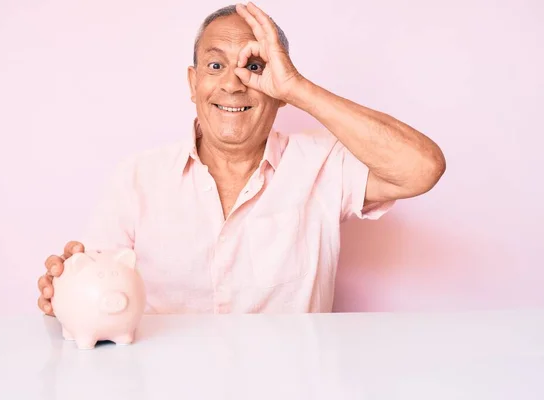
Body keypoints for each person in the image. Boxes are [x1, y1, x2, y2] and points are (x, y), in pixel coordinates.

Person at [37, 2, 445, 315]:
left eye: (254, 66)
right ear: (193, 83)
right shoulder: (138, 176)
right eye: (215, 65)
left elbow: (422, 168)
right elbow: (97, 291)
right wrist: (69, 292)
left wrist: (298, 88)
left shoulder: (321, 162)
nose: (233, 84)